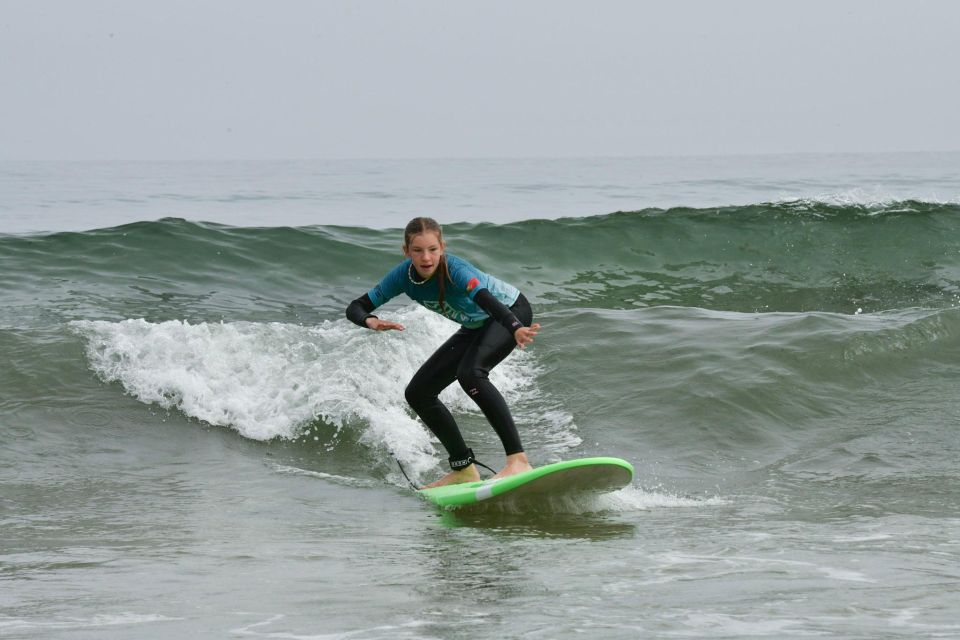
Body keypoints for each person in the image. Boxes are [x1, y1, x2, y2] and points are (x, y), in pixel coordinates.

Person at [346, 217, 541, 488]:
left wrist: (515, 326)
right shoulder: (402, 276)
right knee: (418, 392)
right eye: (418, 250)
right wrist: (371, 320)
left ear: (442, 247)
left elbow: (486, 299)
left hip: (509, 311)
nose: (426, 257)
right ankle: (463, 468)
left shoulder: (455, 270)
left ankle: (518, 461)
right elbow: (356, 306)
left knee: (471, 375)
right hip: (476, 324)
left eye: (433, 249)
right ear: (406, 251)